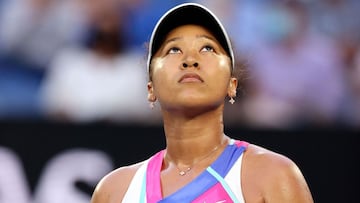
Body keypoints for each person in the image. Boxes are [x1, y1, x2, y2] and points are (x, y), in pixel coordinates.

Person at [91, 3, 314, 203]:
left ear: (232, 84)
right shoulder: (114, 191)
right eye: (174, 49)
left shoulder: (273, 175)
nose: (190, 60)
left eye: (207, 48)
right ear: (151, 88)